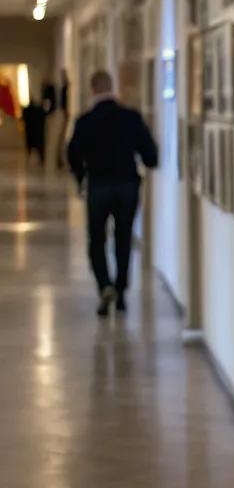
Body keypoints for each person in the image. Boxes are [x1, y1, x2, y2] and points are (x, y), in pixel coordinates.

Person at [67, 69, 158, 317]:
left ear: (93, 89)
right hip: (127, 186)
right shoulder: (131, 118)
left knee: (96, 239)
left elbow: (73, 155)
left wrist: (80, 178)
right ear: (111, 87)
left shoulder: (85, 121)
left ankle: (104, 285)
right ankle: (121, 291)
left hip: (98, 185)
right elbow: (151, 156)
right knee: (123, 237)